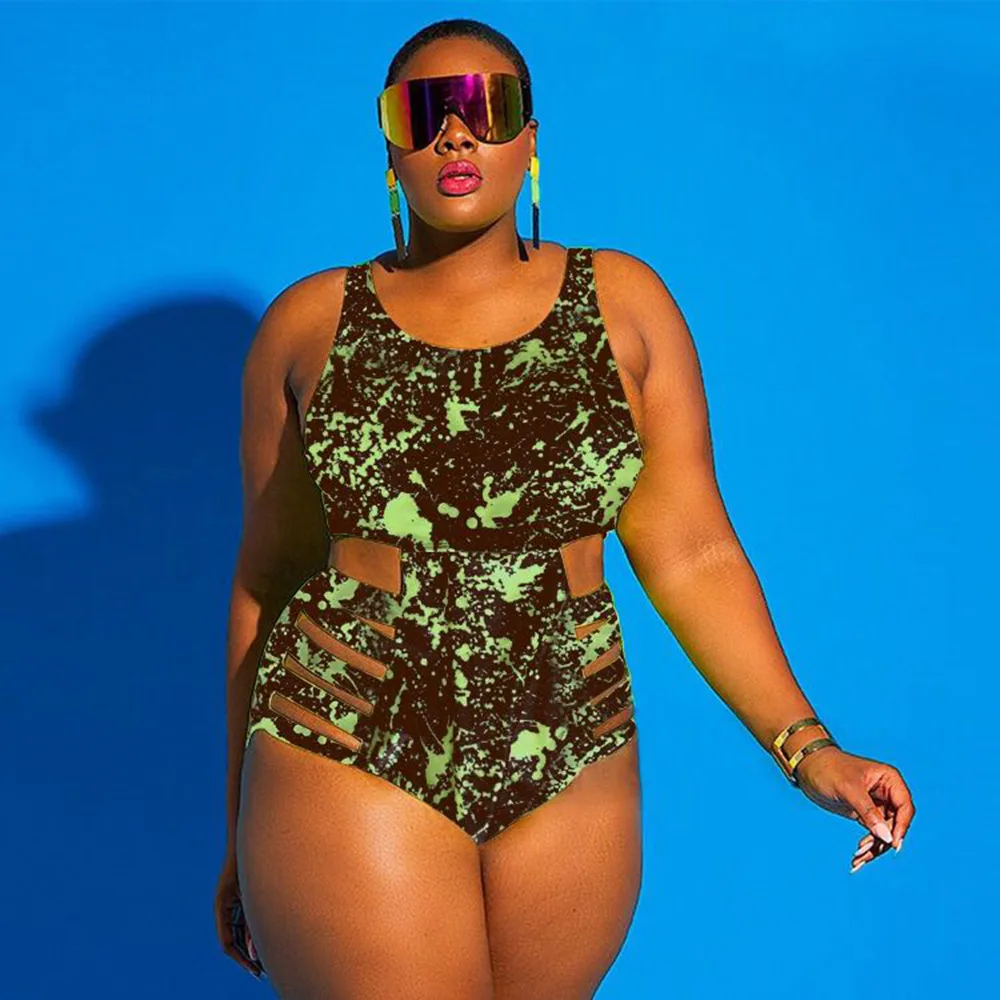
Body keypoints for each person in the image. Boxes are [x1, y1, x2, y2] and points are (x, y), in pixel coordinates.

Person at [214, 17, 916, 999]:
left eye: (486, 108)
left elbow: (694, 552)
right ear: (390, 146)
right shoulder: (307, 325)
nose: (456, 134)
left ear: (530, 138)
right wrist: (237, 829)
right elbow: (267, 579)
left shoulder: (625, 304)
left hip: (574, 760)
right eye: (424, 113)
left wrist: (810, 751)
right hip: (348, 744)